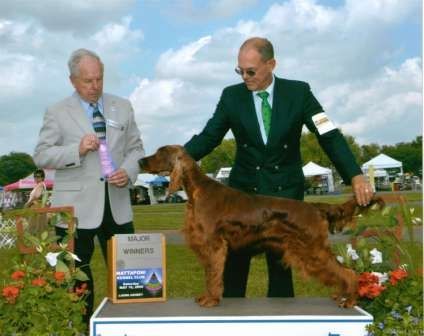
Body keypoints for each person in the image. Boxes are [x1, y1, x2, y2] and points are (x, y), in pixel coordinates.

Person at [184, 37, 373, 299]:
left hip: (284, 195)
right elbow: (209, 137)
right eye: (240, 71)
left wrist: (355, 174)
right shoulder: (231, 96)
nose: (245, 77)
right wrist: (177, 158)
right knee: (233, 272)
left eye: (251, 71)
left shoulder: (299, 93)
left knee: (282, 271)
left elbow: (328, 135)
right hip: (242, 200)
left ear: (271, 64)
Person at [33, 48, 145, 323]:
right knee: (76, 279)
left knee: (132, 281)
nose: (95, 86)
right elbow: (42, 155)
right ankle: (80, 328)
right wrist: (76, 150)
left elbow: (137, 150)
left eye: (99, 79)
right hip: (76, 210)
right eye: (88, 81)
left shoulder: (123, 106)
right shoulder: (56, 112)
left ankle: (132, 326)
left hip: (117, 205)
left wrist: (128, 172)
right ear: (73, 80)